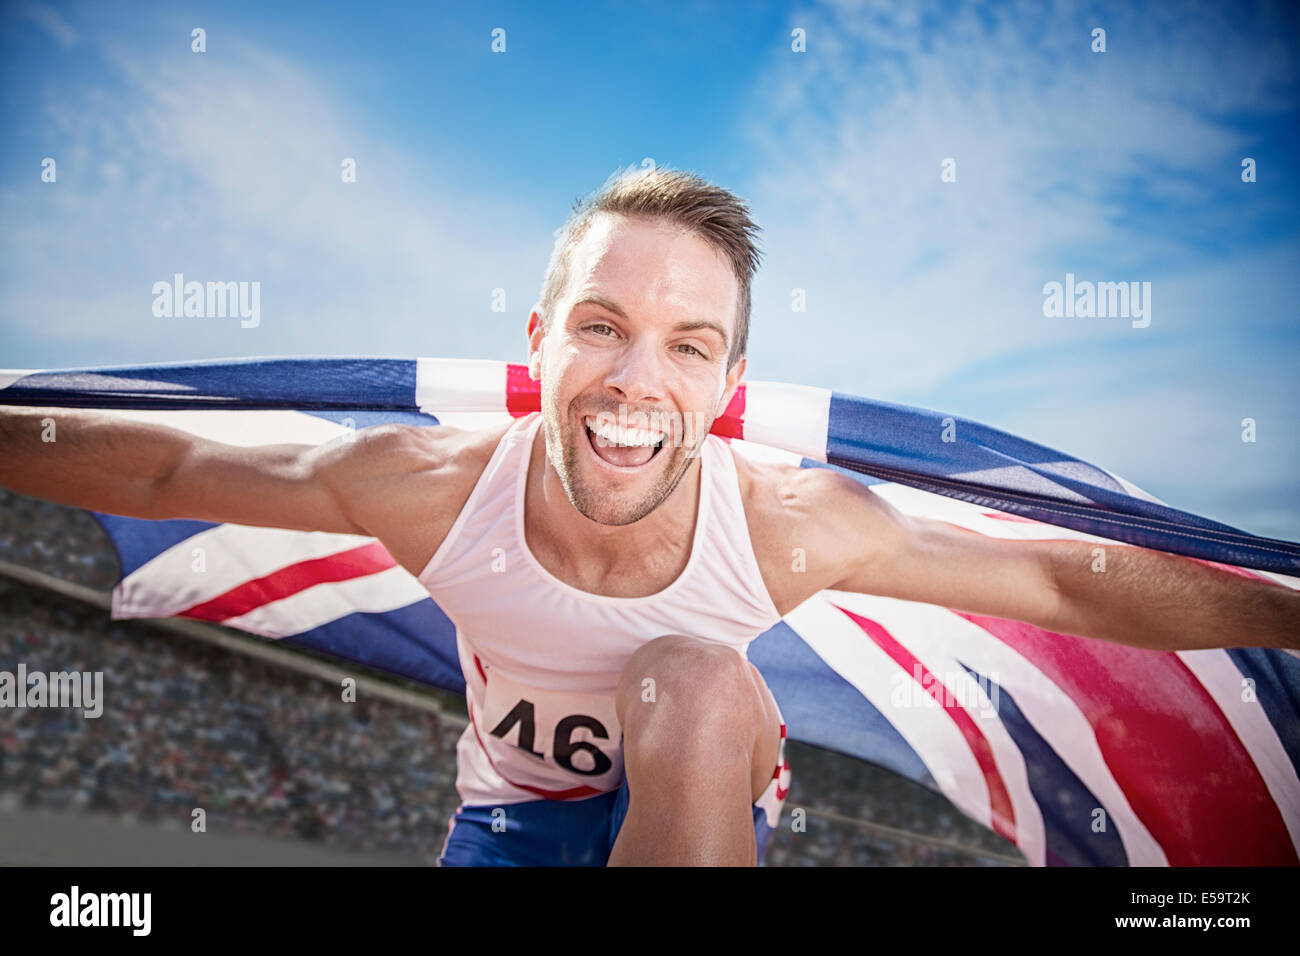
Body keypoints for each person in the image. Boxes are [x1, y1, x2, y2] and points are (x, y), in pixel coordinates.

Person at [2, 166, 1296, 867]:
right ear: (539, 346)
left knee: (686, 673)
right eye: (603, 329)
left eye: (688, 347)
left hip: (710, 791)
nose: (635, 383)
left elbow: (1067, 586)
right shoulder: (434, 487)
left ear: (731, 387)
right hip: (504, 824)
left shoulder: (790, 522)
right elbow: (169, 473)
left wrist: (1286, 612)